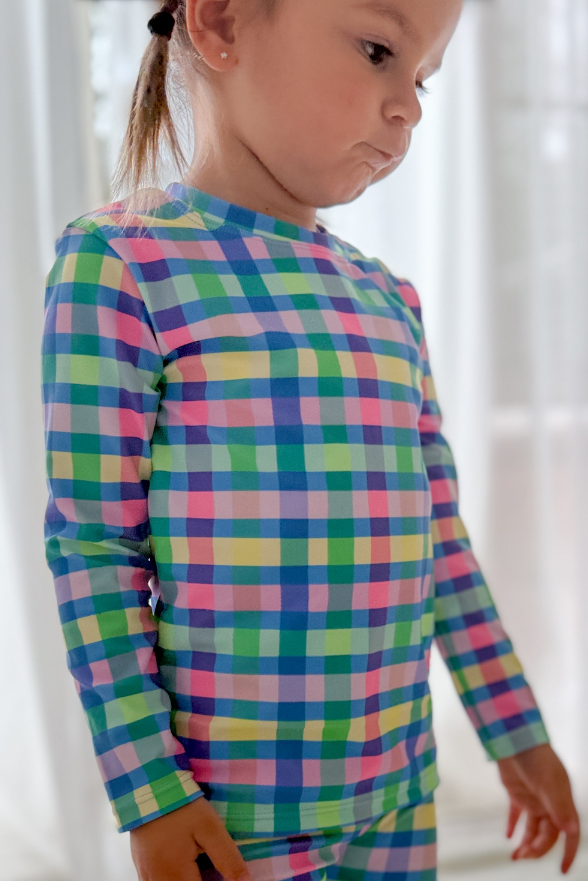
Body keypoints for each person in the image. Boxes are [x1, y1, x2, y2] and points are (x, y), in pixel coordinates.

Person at [41, 0, 581, 879]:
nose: (407, 104)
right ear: (220, 22)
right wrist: (153, 791)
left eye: (423, 79)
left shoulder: (388, 300)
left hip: (399, 795)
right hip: (230, 813)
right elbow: (95, 550)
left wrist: (515, 728)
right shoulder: (122, 264)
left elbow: (440, 546)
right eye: (378, 50)